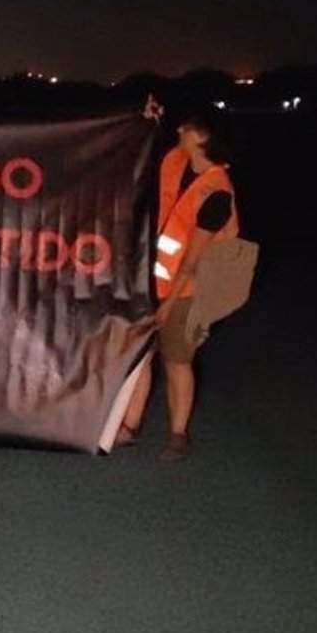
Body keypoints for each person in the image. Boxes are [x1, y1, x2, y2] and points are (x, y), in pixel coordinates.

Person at [115, 98, 240, 461]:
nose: (179, 131)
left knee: (176, 361)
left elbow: (192, 260)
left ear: (202, 137)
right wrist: (149, 122)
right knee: (141, 357)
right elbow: (156, 155)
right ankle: (129, 426)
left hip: (187, 293)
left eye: (186, 128)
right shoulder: (183, 165)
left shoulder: (216, 192)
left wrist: (169, 304)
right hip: (156, 284)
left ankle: (177, 435)